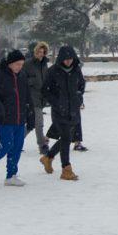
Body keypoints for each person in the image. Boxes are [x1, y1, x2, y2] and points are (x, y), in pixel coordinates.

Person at [0, 50, 32, 186]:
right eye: (17, 64)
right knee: (6, 144)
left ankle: (11, 175)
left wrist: (30, 113)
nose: (20, 67)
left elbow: (27, 95)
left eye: (22, 64)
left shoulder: (22, 75)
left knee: (17, 147)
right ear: (10, 63)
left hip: (20, 117)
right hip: (4, 118)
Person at [40, 45, 85, 181]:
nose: (68, 62)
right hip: (59, 111)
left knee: (67, 138)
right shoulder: (53, 71)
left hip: (73, 109)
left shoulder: (76, 70)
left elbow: (81, 85)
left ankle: (48, 157)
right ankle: (66, 169)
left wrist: (78, 97)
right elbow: (45, 90)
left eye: (70, 59)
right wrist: (56, 102)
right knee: (66, 137)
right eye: (65, 60)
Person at [23, 41, 50, 155]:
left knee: (31, 124)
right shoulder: (28, 64)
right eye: (38, 52)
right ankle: (42, 145)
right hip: (31, 97)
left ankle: (14, 141)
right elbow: (21, 79)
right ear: (35, 52)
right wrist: (32, 81)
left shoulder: (45, 65)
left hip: (42, 97)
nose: (40, 54)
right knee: (39, 122)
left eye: (43, 52)